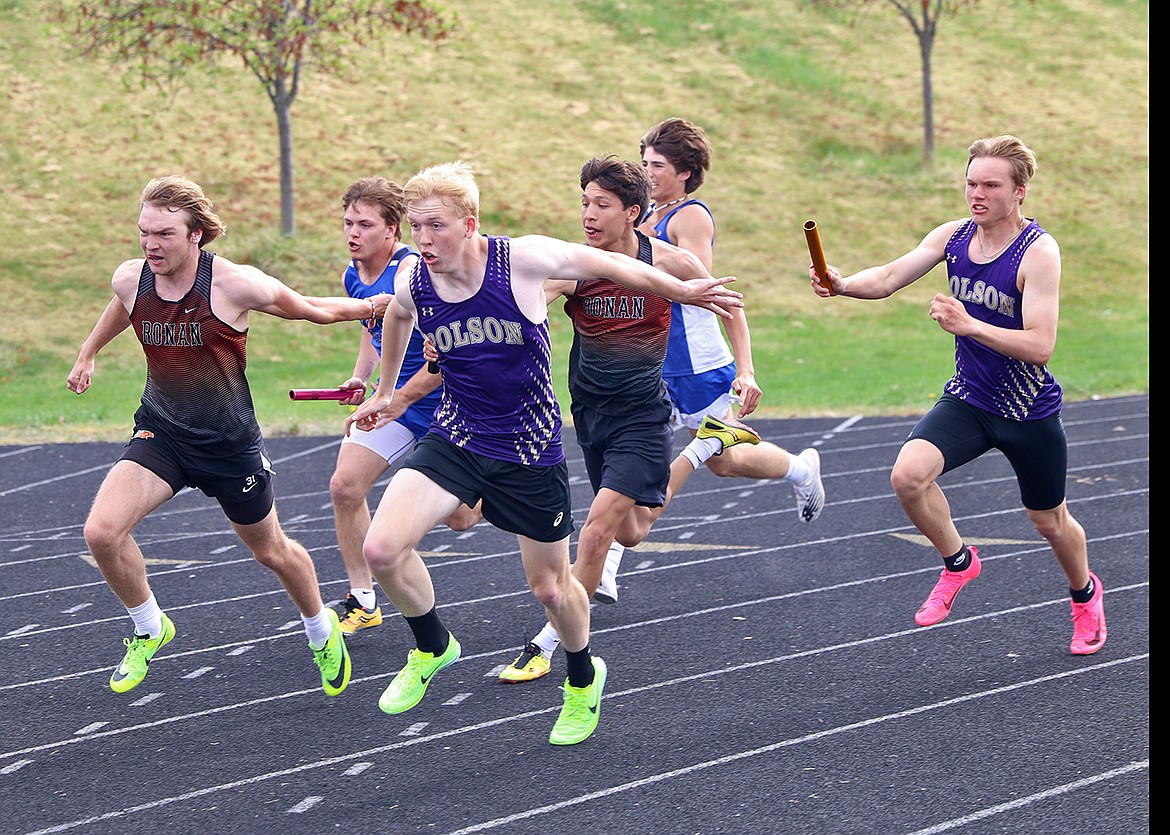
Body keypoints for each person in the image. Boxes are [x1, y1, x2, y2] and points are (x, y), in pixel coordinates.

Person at [344, 160, 743, 745]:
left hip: (529, 448)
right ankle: (433, 647)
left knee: (552, 590)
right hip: (457, 435)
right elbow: (398, 317)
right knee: (381, 547)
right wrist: (388, 395)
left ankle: (583, 678)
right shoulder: (414, 281)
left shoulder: (522, 260)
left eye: (437, 227)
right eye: (417, 228)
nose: (424, 242)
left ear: (470, 224)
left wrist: (683, 290)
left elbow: (608, 263)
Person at [66, 175, 393, 696]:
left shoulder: (235, 284)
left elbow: (313, 309)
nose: (151, 244)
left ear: (196, 234)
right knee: (101, 533)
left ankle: (319, 627)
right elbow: (122, 306)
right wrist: (88, 353)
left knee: (271, 552)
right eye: (144, 233)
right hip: (163, 433)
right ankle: (150, 626)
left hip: (228, 447)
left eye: (165, 234)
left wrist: (380, 306)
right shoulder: (131, 278)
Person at [808, 135, 1106, 655]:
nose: (977, 194)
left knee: (1049, 521)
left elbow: (1040, 346)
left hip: (1026, 410)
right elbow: (887, 278)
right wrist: (843, 282)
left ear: (1020, 192)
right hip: (969, 400)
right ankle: (959, 562)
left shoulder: (1038, 252)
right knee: (907, 476)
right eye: (971, 183)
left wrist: (968, 324)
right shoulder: (953, 236)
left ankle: (1085, 596)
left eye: (991, 184)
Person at [498, 155, 763, 684]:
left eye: (601, 205)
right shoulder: (575, 266)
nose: (588, 215)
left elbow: (727, 305)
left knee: (596, 531)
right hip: (590, 413)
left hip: (642, 417)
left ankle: (552, 643)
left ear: (633, 213)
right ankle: (706, 445)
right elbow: (523, 301)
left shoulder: (669, 263)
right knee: (635, 531)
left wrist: (746, 371)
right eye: (583, 203)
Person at [582, 117, 826, 606]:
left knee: (727, 460)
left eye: (659, 166)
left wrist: (746, 369)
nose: (648, 172)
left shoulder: (688, 217)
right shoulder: (634, 217)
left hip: (693, 361)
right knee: (630, 462)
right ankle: (604, 564)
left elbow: (702, 284)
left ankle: (800, 469)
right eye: (644, 163)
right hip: (645, 362)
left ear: (686, 173)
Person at [327, 176, 481, 634]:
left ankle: (494, 487)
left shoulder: (415, 271)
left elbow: (444, 357)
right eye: (348, 223)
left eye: (366, 225)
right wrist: (363, 377)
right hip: (393, 400)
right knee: (345, 486)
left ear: (393, 230)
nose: (353, 233)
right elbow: (373, 332)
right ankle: (363, 597)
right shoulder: (352, 273)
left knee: (460, 519)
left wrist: (391, 396)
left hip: (438, 400)